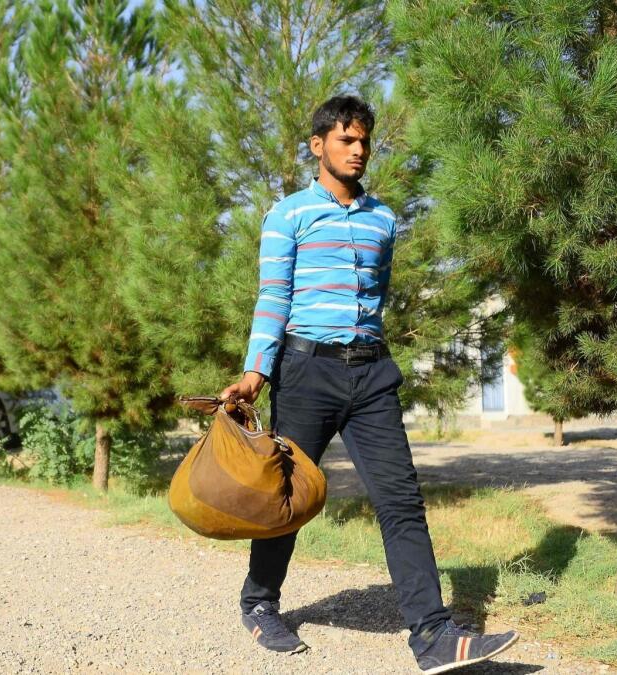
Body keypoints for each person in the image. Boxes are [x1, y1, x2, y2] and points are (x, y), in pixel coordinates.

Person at [219, 96, 518, 674]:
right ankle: (259, 602)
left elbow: (374, 294)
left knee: (400, 500)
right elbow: (273, 298)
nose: (357, 151)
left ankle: (431, 636)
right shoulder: (288, 215)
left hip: (372, 372)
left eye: (364, 142)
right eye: (345, 141)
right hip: (305, 373)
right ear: (318, 146)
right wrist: (258, 367)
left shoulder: (383, 218)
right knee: (288, 497)